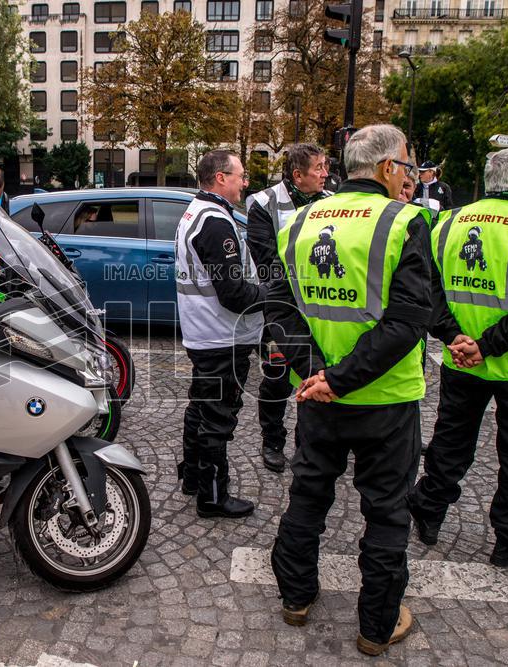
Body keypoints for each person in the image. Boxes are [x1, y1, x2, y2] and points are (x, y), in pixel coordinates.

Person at [266, 124, 431, 655]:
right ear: (387, 168)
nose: (408, 175)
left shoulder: (300, 220)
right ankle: (375, 629)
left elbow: (279, 309)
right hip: (385, 398)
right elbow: (407, 320)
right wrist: (341, 378)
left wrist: (321, 375)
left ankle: (295, 598)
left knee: (308, 498)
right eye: (406, 165)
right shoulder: (406, 220)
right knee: (385, 513)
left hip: (318, 397)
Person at [409, 147, 508, 569]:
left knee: (450, 441)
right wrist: (488, 345)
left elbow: (428, 292)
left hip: (461, 359)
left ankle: (428, 509)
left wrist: (454, 337)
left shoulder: (447, 222)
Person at [175, 150, 267, 519]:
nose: (245, 182)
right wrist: (273, 296)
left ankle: (193, 478)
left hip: (206, 333)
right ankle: (212, 496)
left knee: (200, 407)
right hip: (220, 336)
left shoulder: (196, 211)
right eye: (241, 176)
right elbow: (233, 294)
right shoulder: (214, 221)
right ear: (220, 178)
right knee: (217, 417)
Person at [246, 144, 330, 473]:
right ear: (298, 175)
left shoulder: (330, 202)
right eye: (319, 168)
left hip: (320, 309)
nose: (325, 173)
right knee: (277, 378)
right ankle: (272, 441)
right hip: (281, 308)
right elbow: (266, 261)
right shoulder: (264, 204)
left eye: (325, 167)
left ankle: (306, 441)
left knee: (315, 372)